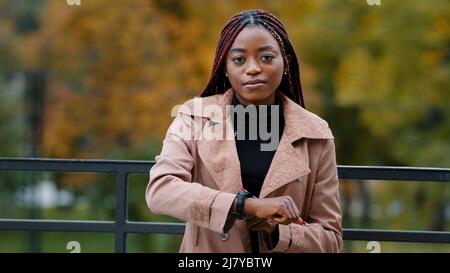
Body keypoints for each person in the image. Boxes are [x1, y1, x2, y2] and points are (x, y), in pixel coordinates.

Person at [145, 9, 342, 253]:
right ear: (225, 67)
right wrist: (245, 206)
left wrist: (278, 232)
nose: (253, 69)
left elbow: (331, 241)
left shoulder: (315, 134)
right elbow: (161, 191)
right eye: (239, 59)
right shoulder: (194, 118)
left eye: (266, 57)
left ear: (286, 62)